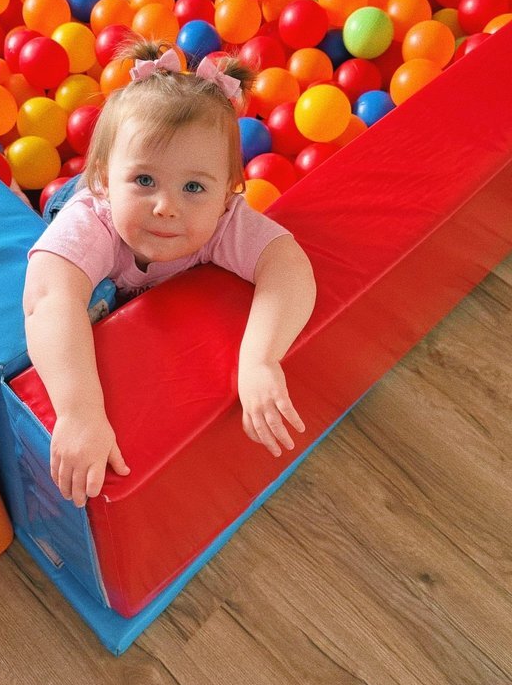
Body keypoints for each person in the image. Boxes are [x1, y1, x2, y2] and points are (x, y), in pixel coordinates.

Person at [23, 39, 317, 508]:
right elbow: (47, 300)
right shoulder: (94, 217)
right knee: (66, 259)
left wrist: (259, 359)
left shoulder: (220, 220)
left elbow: (288, 266)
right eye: (145, 180)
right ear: (103, 177)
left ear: (228, 195)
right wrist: (79, 413)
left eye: (194, 186)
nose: (166, 207)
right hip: (87, 216)